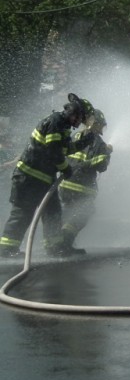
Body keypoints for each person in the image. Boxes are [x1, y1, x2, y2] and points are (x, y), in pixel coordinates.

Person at [0, 93, 93, 258]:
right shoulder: (55, 122)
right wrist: (65, 169)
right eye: (81, 118)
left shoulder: (62, 127)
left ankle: (54, 247)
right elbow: (53, 151)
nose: (80, 123)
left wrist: (83, 142)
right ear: (76, 114)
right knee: (23, 213)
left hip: (43, 180)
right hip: (28, 178)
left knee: (53, 212)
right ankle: (7, 249)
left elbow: (64, 149)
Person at [56, 109, 113, 257]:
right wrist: (107, 153)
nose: (102, 129)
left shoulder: (75, 136)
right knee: (86, 211)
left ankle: (56, 244)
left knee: (68, 213)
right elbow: (101, 166)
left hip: (64, 185)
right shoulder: (98, 142)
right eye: (101, 125)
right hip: (81, 187)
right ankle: (66, 243)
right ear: (94, 124)